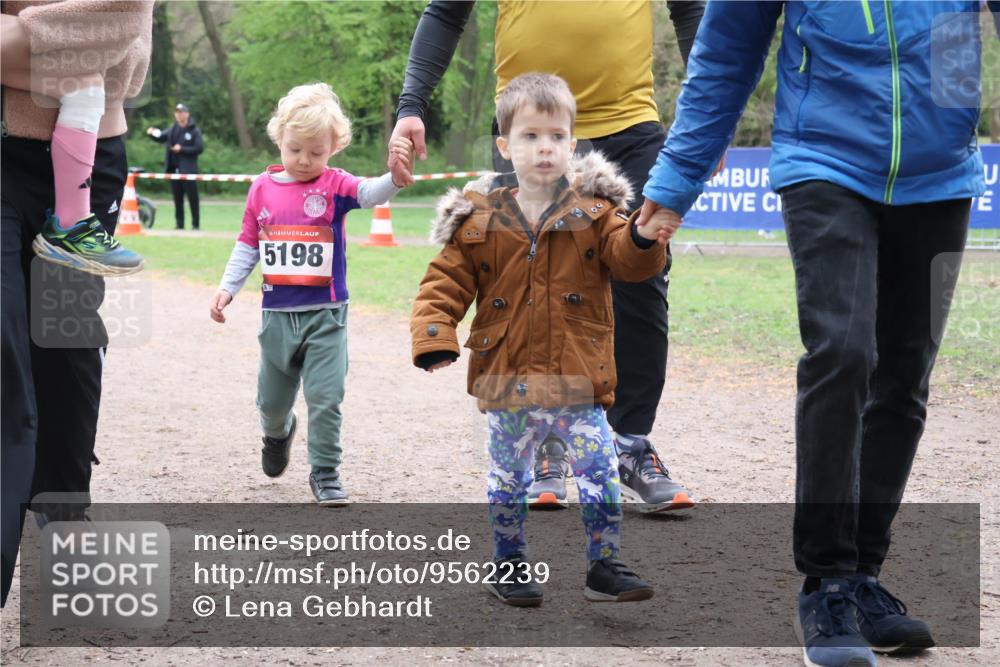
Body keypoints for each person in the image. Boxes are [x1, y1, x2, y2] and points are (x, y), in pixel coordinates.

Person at [637, 2, 998, 666]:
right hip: (824, 157)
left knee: (905, 374)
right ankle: (826, 581)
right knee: (844, 349)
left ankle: (862, 575)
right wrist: (677, 177)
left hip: (942, 166)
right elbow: (727, 50)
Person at [391, 0, 704, 512]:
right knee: (532, 282)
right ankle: (547, 445)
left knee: (642, 273)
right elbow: (446, 12)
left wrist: (706, 119)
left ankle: (628, 444)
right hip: (529, 129)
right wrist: (411, 106)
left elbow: (692, 9)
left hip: (630, 128)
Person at [410, 73, 679, 606]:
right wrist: (434, 335)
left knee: (599, 470)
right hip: (508, 378)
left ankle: (604, 564)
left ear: (573, 146)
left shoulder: (598, 214)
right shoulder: (478, 219)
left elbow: (628, 263)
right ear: (505, 146)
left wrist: (645, 237)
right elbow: (443, 283)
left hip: (579, 377)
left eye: (556, 135)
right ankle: (508, 565)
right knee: (508, 478)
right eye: (531, 136)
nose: (544, 147)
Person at [1, 0, 153, 606]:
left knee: (64, 342)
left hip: (87, 156)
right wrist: (63, 62)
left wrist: (21, 49)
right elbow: (82, 55)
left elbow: (115, 42)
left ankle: (63, 516)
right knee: (5, 350)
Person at [210, 83, 413, 506]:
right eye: (295, 149)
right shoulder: (261, 189)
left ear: (333, 149)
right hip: (278, 318)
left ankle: (325, 473)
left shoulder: (335, 185)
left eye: (316, 153)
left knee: (326, 397)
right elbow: (248, 243)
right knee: (271, 402)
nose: (305, 161)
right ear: (280, 139)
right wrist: (228, 288)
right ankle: (277, 433)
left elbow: (370, 193)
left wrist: (393, 178)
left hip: (327, 315)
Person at [147, 102, 203, 230]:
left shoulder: (194, 130)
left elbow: (199, 148)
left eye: (181, 112)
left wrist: (182, 149)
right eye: (177, 112)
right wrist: (152, 132)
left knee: (193, 199)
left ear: (187, 114)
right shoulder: (172, 129)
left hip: (189, 172)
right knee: (178, 199)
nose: (179, 114)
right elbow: (161, 137)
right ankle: (179, 225)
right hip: (173, 170)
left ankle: (195, 225)